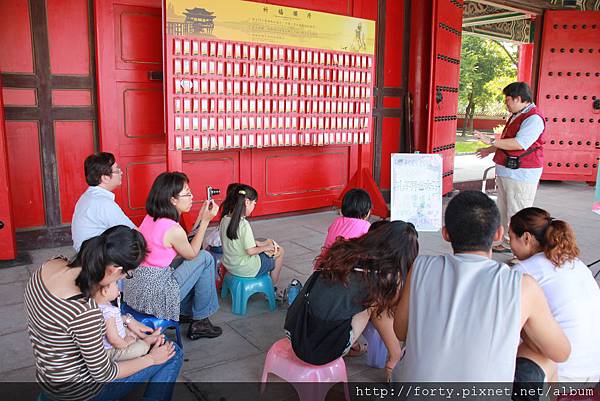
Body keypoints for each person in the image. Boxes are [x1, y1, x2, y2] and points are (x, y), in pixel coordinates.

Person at [392, 191, 570, 382]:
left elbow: (401, 331)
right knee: (544, 360)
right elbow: (561, 353)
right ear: (499, 234)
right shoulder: (522, 285)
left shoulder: (420, 267)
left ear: (445, 234)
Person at [24, 226, 182, 401]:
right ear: (114, 270)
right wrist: (152, 359)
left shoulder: (51, 265)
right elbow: (104, 373)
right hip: (78, 393)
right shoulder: (84, 310)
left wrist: (125, 321)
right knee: (172, 352)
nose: (121, 281)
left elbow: (65, 327)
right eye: (126, 275)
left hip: (49, 378)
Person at [287, 221, 418, 381]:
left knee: (353, 299)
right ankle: (395, 358)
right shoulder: (378, 276)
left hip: (296, 329)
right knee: (378, 305)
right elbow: (396, 308)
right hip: (319, 349)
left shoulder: (345, 252)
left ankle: (355, 346)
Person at [124, 172, 222, 340]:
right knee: (205, 258)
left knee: (193, 259)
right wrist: (206, 221)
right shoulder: (173, 229)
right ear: (172, 200)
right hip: (155, 295)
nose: (192, 197)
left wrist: (200, 216)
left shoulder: (151, 218)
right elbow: (192, 254)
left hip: (136, 288)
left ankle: (186, 311)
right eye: (187, 193)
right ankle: (201, 321)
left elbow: (187, 243)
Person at [510, 207, 600, 383]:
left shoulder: (523, 271)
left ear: (526, 238)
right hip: (595, 368)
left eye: (511, 237)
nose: (510, 246)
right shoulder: (575, 263)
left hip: (562, 373)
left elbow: (507, 329)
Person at [475, 82, 545, 255]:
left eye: (508, 100)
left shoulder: (533, 118)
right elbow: (507, 141)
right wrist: (489, 150)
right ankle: (508, 243)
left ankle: (522, 253)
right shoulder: (518, 114)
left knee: (519, 212)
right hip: (508, 171)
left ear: (519, 98)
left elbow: (519, 143)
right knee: (505, 209)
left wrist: (490, 141)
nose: (506, 103)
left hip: (521, 173)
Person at [219, 184, 285, 288]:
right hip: (246, 268)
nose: (254, 206)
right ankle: (273, 287)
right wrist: (267, 247)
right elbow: (250, 251)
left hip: (230, 265)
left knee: (260, 242)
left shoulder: (224, 220)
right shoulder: (244, 225)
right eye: (254, 203)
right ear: (247, 202)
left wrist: (259, 244)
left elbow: (235, 241)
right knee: (280, 251)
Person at [71, 152, 135, 252]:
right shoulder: (103, 203)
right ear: (105, 178)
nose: (121, 172)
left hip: (86, 252)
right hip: (94, 258)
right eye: (117, 170)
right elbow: (134, 232)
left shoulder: (88, 196)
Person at [94, 280, 162, 362]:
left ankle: (145, 337)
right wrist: (125, 343)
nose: (118, 288)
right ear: (105, 291)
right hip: (111, 349)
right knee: (138, 349)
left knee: (130, 332)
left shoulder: (98, 305)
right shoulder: (107, 311)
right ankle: (146, 343)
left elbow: (114, 324)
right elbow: (113, 339)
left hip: (117, 339)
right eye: (116, 285)